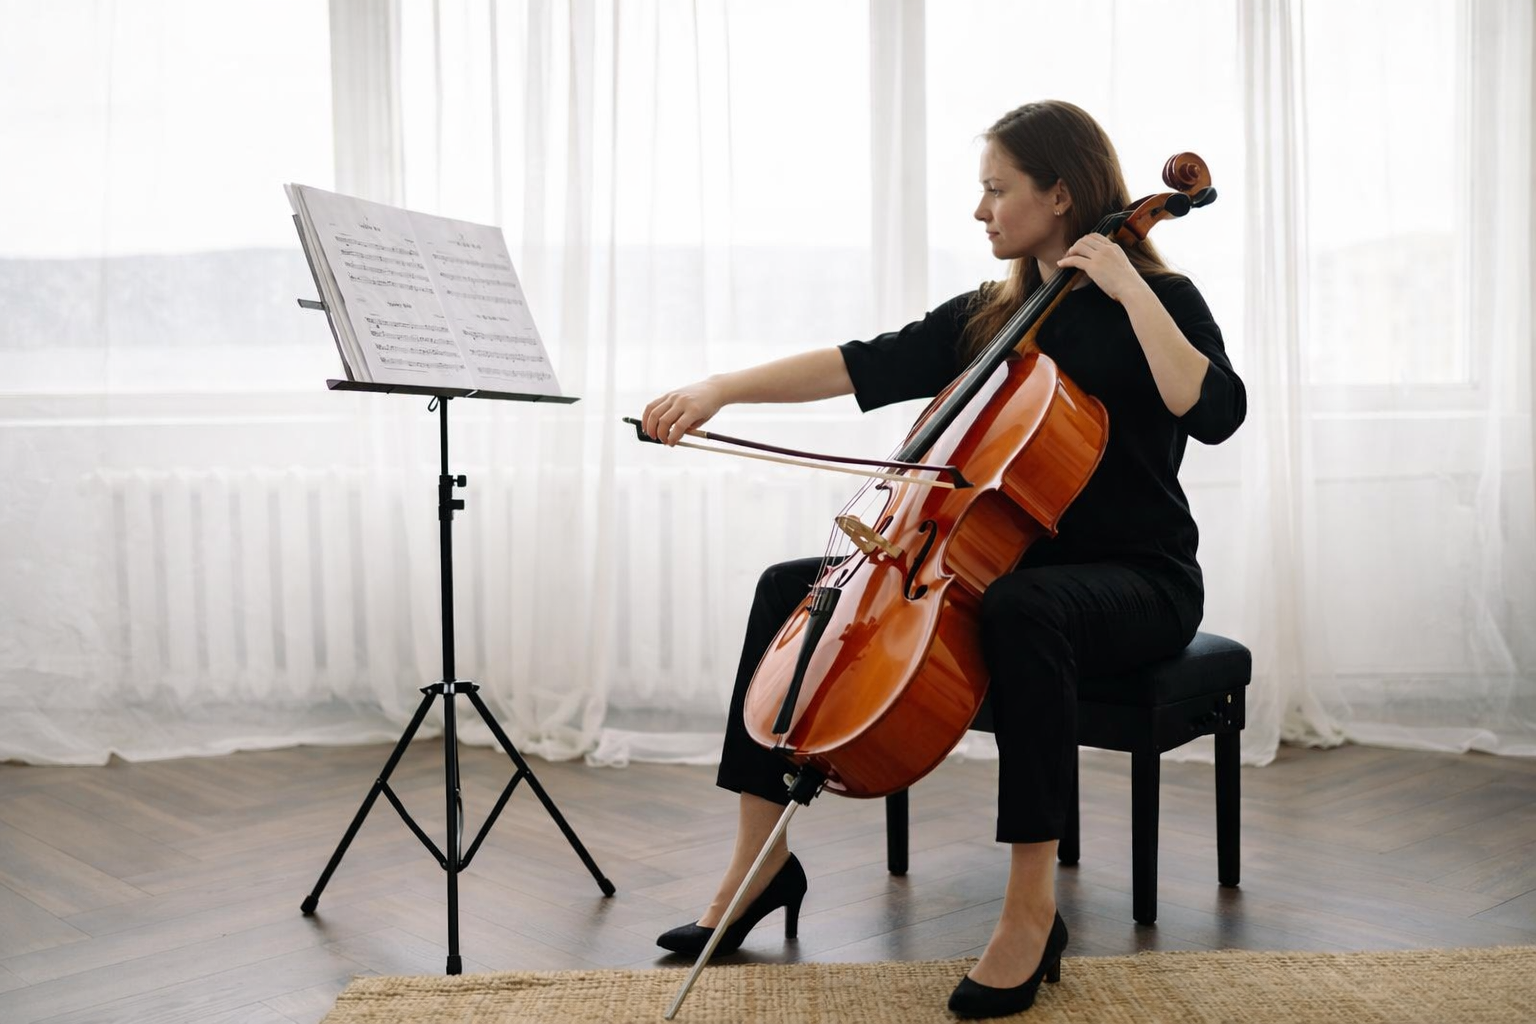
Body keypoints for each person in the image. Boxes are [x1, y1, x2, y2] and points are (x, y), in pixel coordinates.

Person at [640, 99, 1245, 1019]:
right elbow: (857, 364)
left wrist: (1126, 285)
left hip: (1140, 580)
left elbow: (1212, 412)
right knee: (788, 589)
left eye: (997, 190)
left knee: (1025, 610)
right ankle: (758, 866)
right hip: (1008, 568)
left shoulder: (1162, 301)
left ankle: (1032, 909)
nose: (982, 212)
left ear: (1062, 193)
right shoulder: (993, 317)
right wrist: (722, 389)